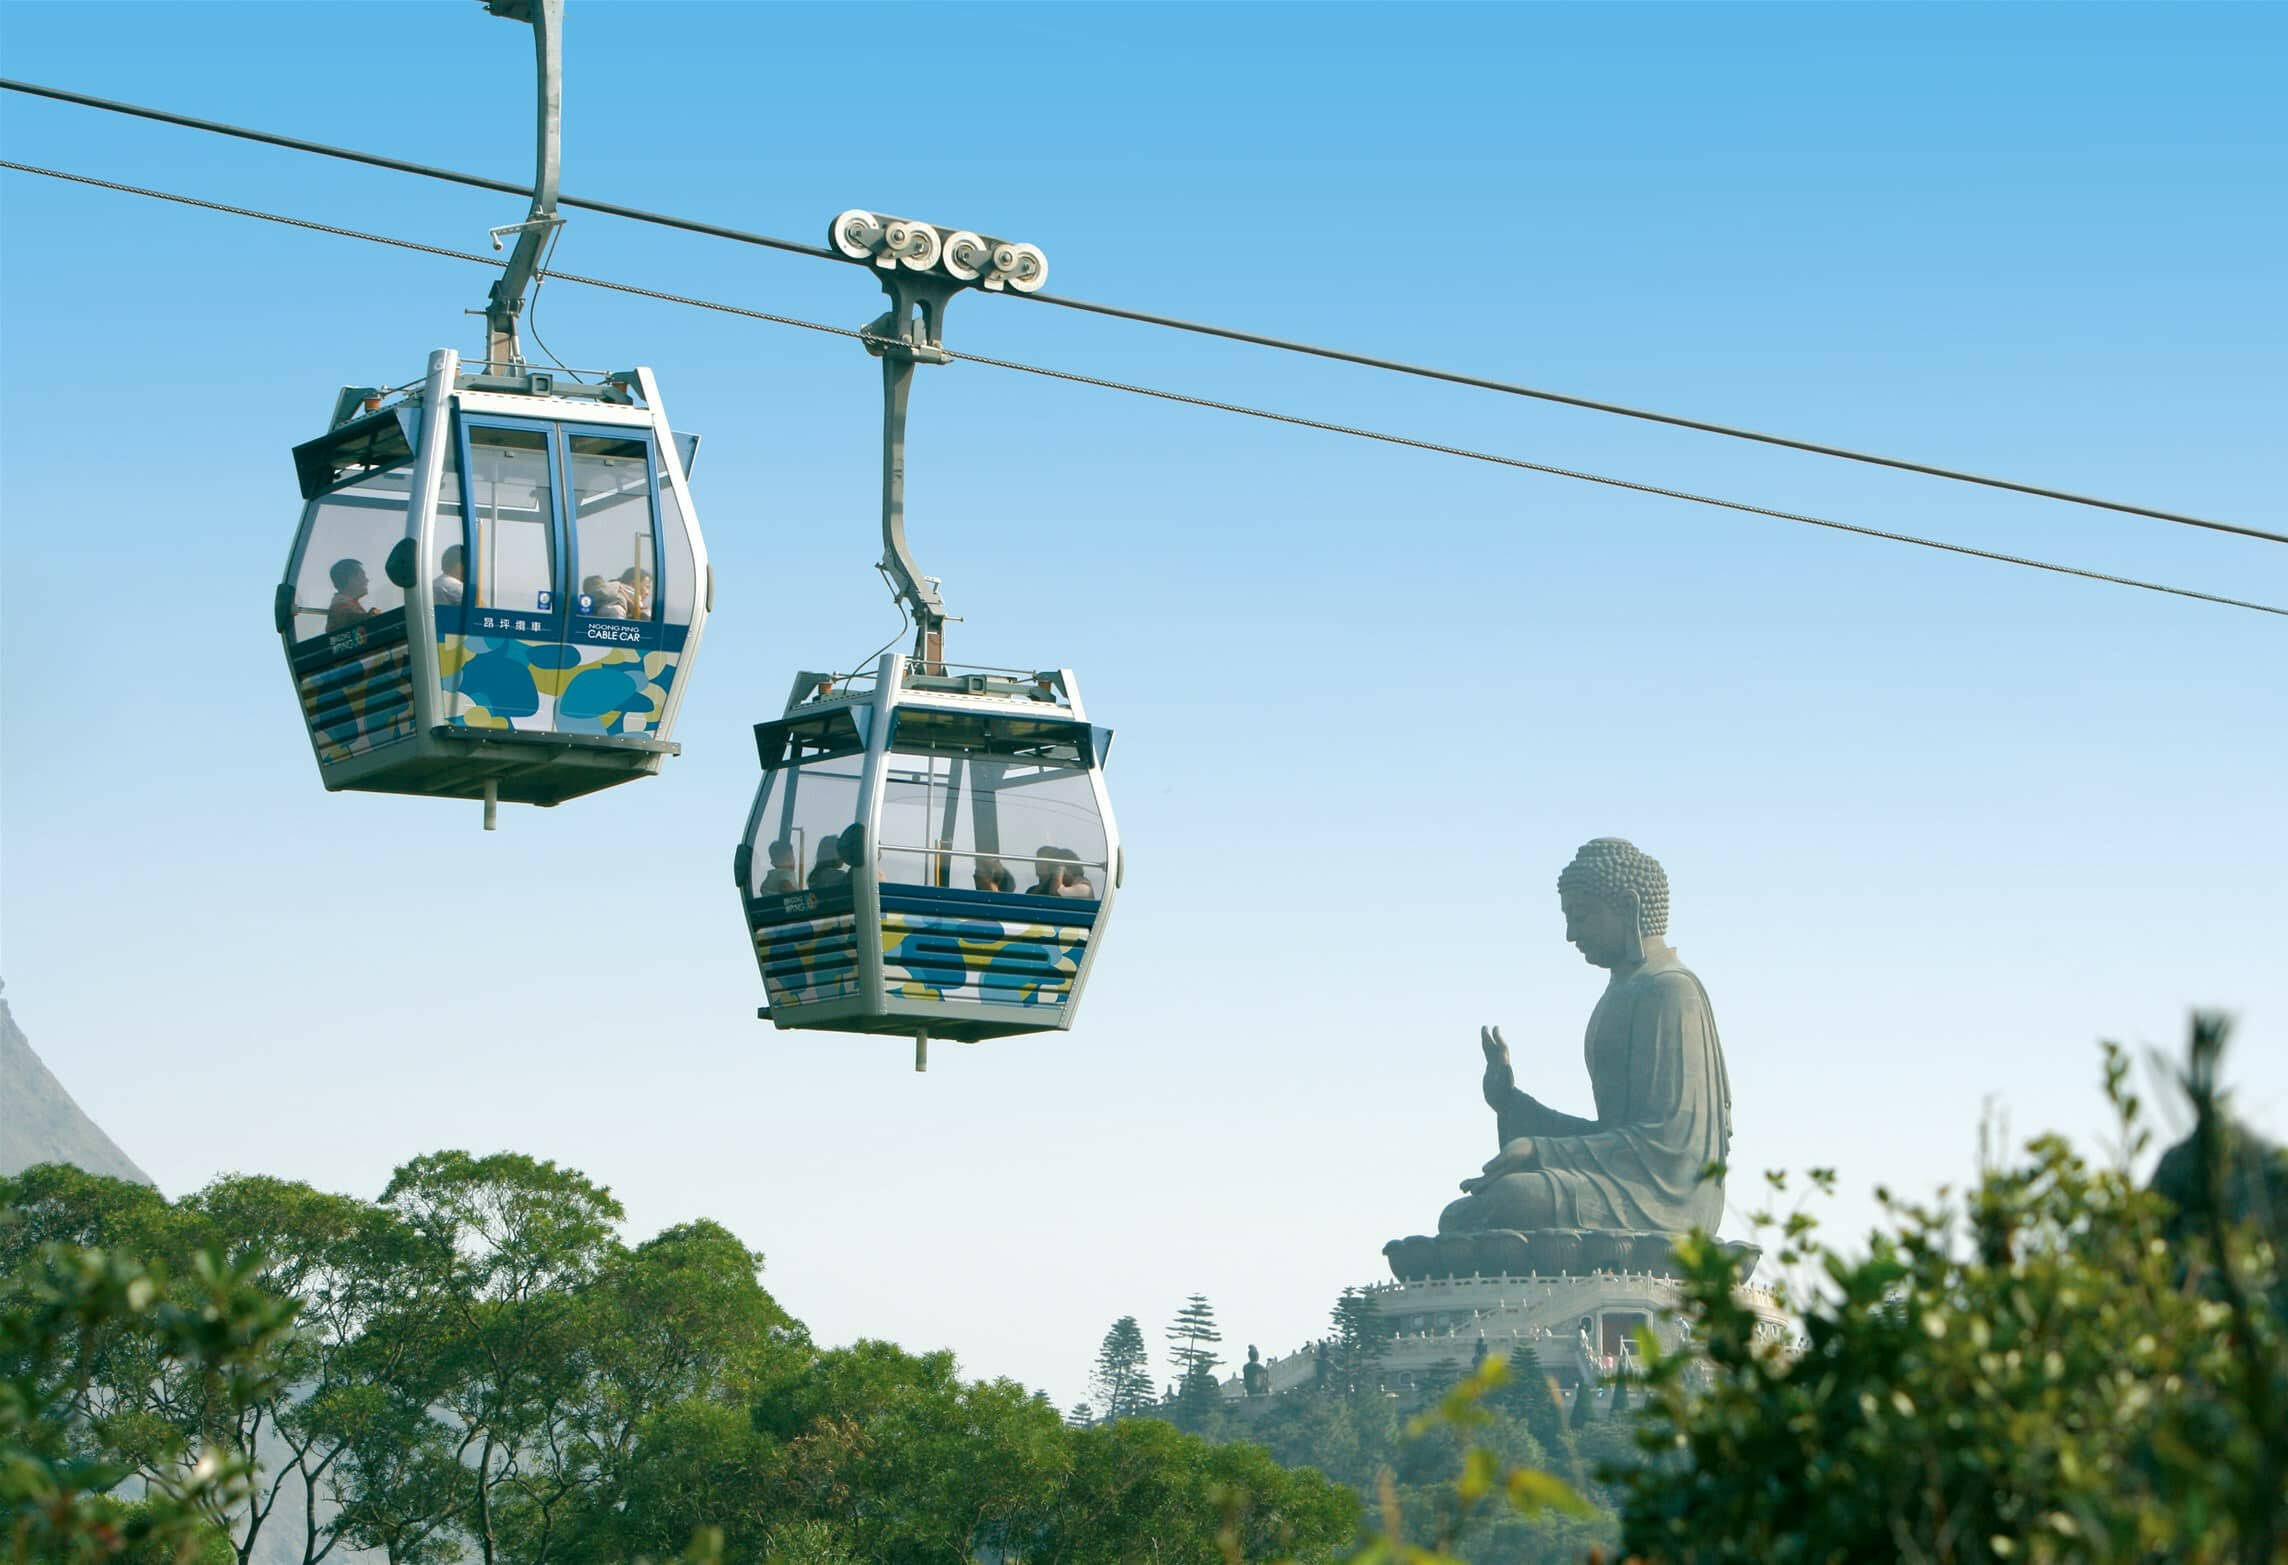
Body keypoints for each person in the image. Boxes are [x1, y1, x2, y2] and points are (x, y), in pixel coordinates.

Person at [325, 558, 374, 631]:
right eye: (362, 576)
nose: (366, 580)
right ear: (351, 579)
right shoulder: (339, 606)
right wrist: (372, 616)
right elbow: (351, 621)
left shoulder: (348, 604)